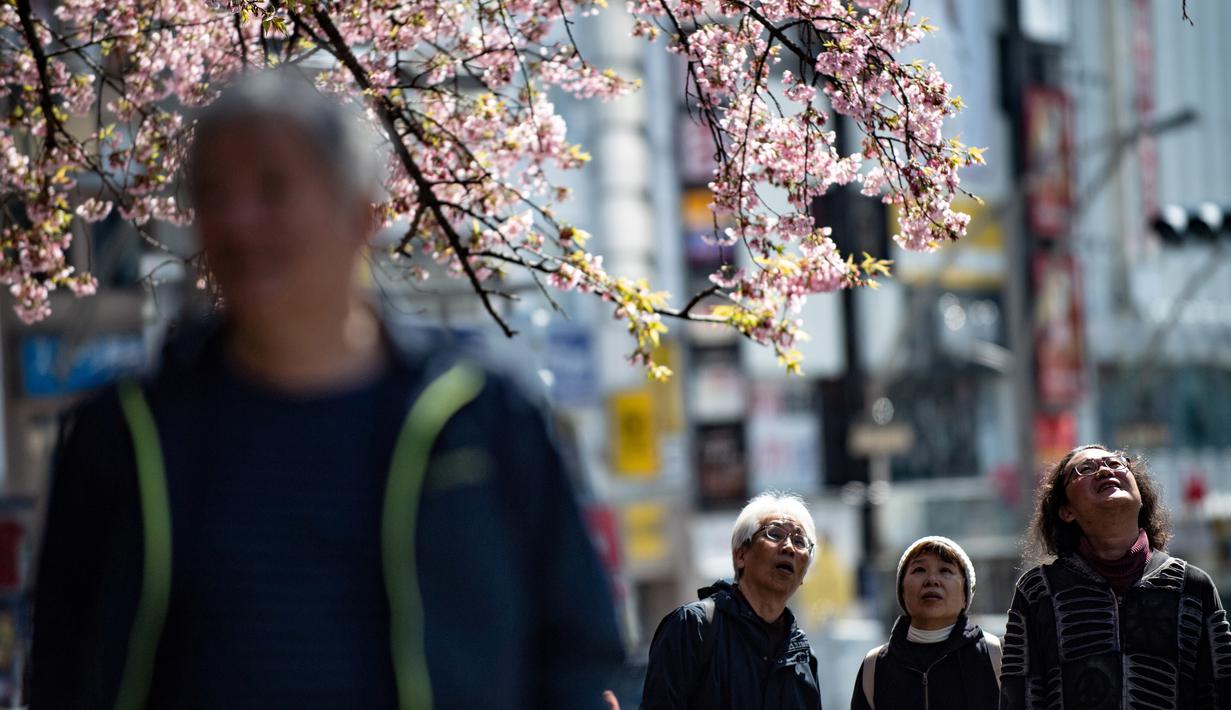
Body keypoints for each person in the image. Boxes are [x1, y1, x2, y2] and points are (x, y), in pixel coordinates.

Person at [29, 71, 625, 709]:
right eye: (214, 194)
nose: (238, 220)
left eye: (273, 188)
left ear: (360, 215)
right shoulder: (122, 431)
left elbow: (580, 660)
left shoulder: (481, 418)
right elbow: (62, 673)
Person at [1000, 444, 1231, 709]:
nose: (1104, 470)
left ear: (1141, 495)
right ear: (1066, 511)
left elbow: (1221, 691)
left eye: (1116, 464)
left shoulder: (1192, 587)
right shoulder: (1039, 590)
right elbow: (1019, 697)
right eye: (1085, 468)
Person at [640, 491, 823, 709]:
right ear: (741, 555)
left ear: (803, 575)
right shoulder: (693, 626)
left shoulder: (802, 655)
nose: (789, 548)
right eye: (775, 534)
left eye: (799, 541)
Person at [850, 535, 1000, 709]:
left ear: (965, 595)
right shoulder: (874, 668)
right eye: (919, 570)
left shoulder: (994, 656)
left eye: (945, 570)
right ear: (902, 590)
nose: (932, 580)